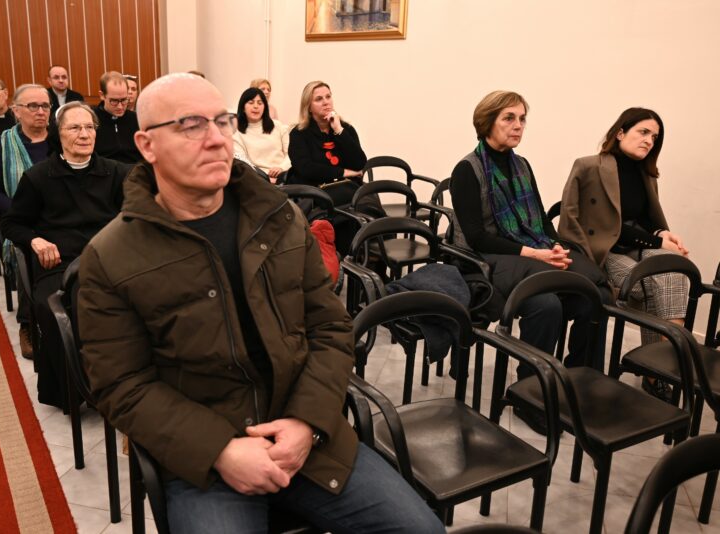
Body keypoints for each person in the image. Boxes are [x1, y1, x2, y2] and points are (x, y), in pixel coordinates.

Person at [78, 73, 444, 534]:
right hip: (205, 459)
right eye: (191, 125)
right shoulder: (111, 256)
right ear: (146, 145)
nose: (217, 139)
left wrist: (306, 423)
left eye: (222, 122)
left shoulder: (278, 217)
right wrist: (220, 450)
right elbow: (121, 384)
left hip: (306, 433)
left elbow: (330, 328)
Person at [449, 90, 612, 430]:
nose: (518, 125)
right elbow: (477, 238)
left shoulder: (522, 165)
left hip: (530, 253)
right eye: (509, 118)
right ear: (487, 122)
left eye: (522, 119)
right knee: (546, 305)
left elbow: (540, 221)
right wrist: (534, 253)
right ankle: (528, 393)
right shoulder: (467, 169)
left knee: (595, 296)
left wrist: (554, 247)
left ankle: (579, 383)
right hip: (485, 261)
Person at [1, 101, 128, 409]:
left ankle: (126, 387)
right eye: (74, 128)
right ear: (58, 133)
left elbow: (135, 216)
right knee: (55, 311)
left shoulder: (117, 172)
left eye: (89, 127)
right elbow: (13, 223)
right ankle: (73, 390)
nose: (84, 134)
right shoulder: (38, 177)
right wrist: (35, 241)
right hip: (59, 262)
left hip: (109, 260)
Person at [558, 107, 689, 400]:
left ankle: (665, 363)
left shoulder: (647, 175)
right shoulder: (588, 166)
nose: (649, 141)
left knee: (675, 271)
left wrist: (663, 235)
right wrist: (655, 241)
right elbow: (573, 222)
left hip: (638, 247)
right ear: (620, 133)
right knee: (644, 283)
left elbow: (647, 222)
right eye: (643, 132)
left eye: (654, 137)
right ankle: (658, 371)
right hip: (603, 253)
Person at [0, 83, 53, 360]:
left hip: (61, 215)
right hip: (24, 221)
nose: (40, 111)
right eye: (33, 106)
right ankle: (28, 324)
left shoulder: (60, 140)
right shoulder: (4, 144)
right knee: (29, 252)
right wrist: (22, 210)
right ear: (16, 111)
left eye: (45, 106)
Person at [288, 81, 371, 253]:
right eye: (319, 99)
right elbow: (306, 168)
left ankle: (371, 255)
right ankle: (348, 258)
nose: (326, 102)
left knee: (369, 207)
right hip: (316, 193)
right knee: (342, 217)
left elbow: (359, 163)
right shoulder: (299, 134)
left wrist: (339, 131)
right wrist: (343, 172)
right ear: (309, 107)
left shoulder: (345, 129)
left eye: (328, 97)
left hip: (346, 191)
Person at [232, 87, 291, 183]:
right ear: (243, 107)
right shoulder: (236, 134)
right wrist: (265, 178)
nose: (256, 106)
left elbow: (291, 153)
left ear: (265, 107)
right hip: (257, 180)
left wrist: (281, 167)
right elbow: (244, 165)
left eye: (260, 103)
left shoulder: (278, 126)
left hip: (285, 175)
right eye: (251, 102)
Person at [93, 71, 142, 163]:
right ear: (102, 95)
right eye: (114, 101)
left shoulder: (136, 119)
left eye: (124, 100)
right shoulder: (90, 120)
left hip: (134, 170)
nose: (120, 107)